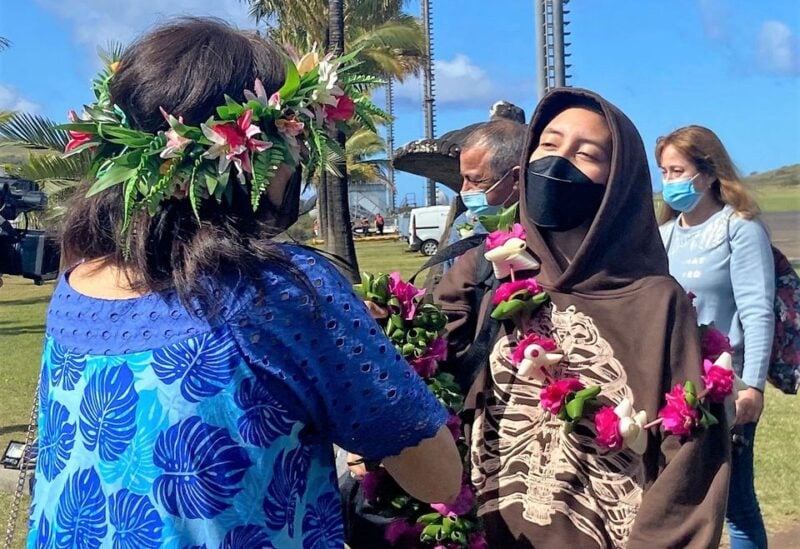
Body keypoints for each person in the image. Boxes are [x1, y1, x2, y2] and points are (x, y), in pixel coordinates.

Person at [27, 18, 461, 548]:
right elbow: (438, 477)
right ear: (258, 153)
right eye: (295, 138)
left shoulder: (77, 284)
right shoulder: (282, 291)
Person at [434, 88, 729, 547]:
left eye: (586, 154)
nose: (558, 163)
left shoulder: (657, 302)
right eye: (548, 145)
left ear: (618, 182)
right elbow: (422, 374)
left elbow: (689, 464)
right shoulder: (485, 271)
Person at [656, 125, 774, 549]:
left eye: (677, 170)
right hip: (672, 387)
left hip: (726, 386)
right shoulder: (664, 236)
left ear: (707, 174)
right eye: (664, 172)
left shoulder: (739, 229)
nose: (669, 182)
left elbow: (757, 311)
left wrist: (753, 388)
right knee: (673, 499)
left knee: (735, 504)